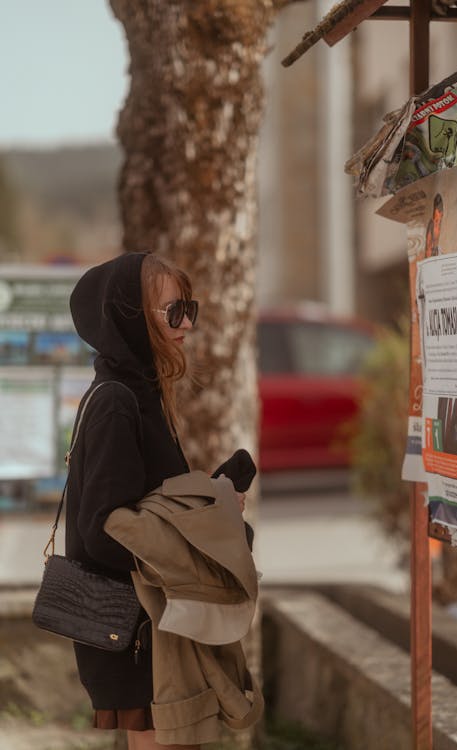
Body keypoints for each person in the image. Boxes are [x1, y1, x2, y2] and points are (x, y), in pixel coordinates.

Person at [66, 252, 248, 750]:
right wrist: (194, 545)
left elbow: (149, 502)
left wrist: (215, 500)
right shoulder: (117, 402)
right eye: (172, 310)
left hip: (146, 625)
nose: (186, 322)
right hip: (134, 629)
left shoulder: (138, 393)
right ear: (130, 314)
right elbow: (105, 526)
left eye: (189, 307)